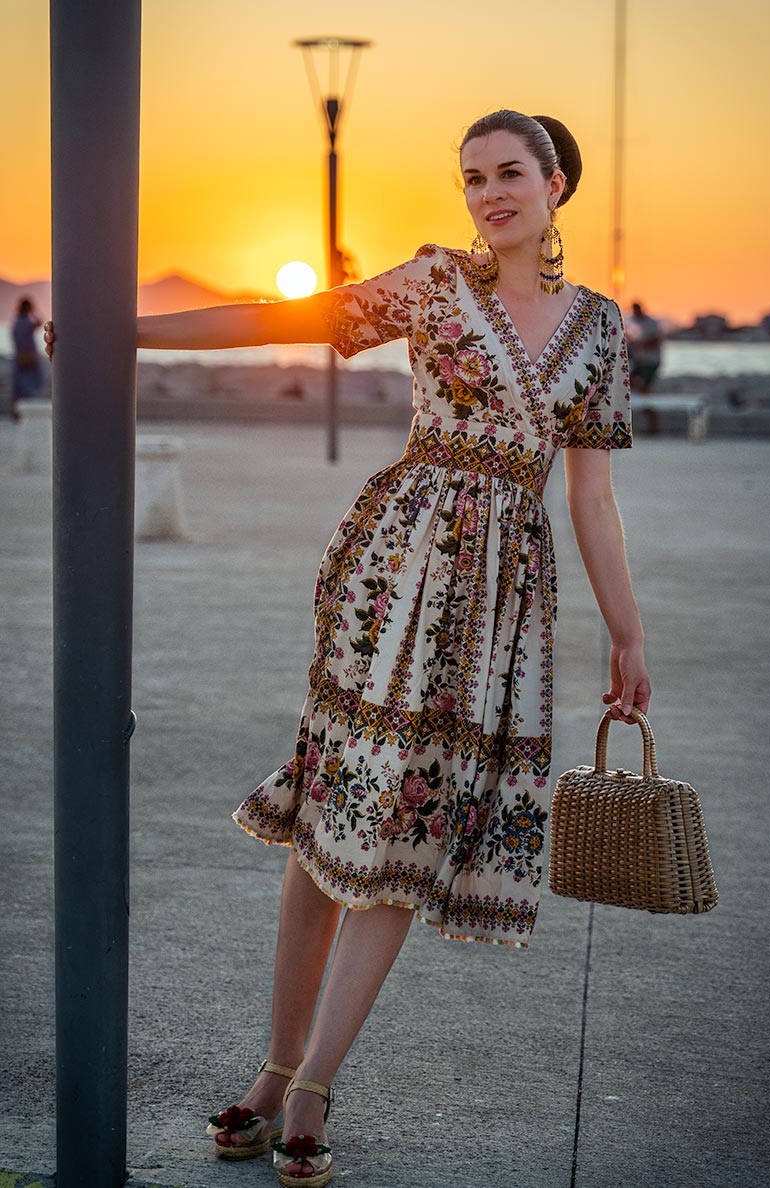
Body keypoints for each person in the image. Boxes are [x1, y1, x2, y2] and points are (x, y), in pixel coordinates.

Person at [45, 110, 651, 1185]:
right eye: (472, 178)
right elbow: (284, 316)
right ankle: (276, 1069)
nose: (489, 193)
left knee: (403, 834)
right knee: (334, 811)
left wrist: (626, 633)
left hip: (501, 607)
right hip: (392, 576)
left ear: (558, 183)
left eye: (511, 173)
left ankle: (317, 1079)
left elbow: (592, 496)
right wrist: (120, 328)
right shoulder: (428, 287)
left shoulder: (600, 331)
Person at [625, 301, 664, 433]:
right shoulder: (634, 323)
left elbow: (655, 340)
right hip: (640, 362)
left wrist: (638, 344)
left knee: (645, 392)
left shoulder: (650, 324)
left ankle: (654, 425)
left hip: (650, 363)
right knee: (634, 385)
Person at [11, 296, 45, 420]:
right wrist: (34, 312)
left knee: (20, 387)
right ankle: (25, 415)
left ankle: (18, 414)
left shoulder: (17, 322)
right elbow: (40, 322)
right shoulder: (26, 322)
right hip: (29, 357)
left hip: (21, 357)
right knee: (28, 387)